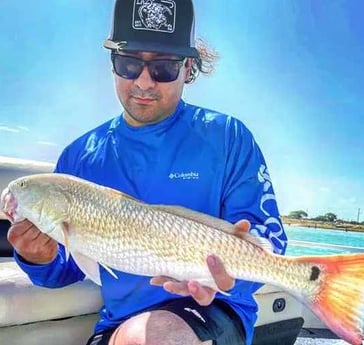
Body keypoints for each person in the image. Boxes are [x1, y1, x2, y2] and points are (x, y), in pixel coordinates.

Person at [7, 0, 288, 344]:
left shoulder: (228, 136)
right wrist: (38, 257)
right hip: (118, 322)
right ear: (112, 63)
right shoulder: (78, 157)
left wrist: (223, 279)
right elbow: (63, 270)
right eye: (128, 63)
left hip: (216, 307)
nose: (143, 81)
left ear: (188, 68)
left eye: (164, 68)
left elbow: (269, 239)